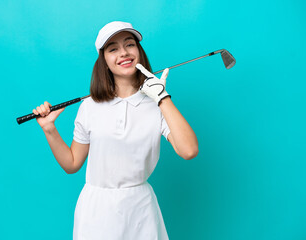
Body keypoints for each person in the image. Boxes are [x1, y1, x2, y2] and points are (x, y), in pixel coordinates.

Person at [33, 21, 198, 240]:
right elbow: (72, 164)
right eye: (113, 49)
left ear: (139, 51)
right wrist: (49, 129)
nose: (123, 53)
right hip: (96, 210)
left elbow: (189, 151)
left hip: (140, 209)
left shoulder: (157, 103)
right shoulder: (89, 106)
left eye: (129, 44)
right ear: (104, 61)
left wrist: (162, 97)